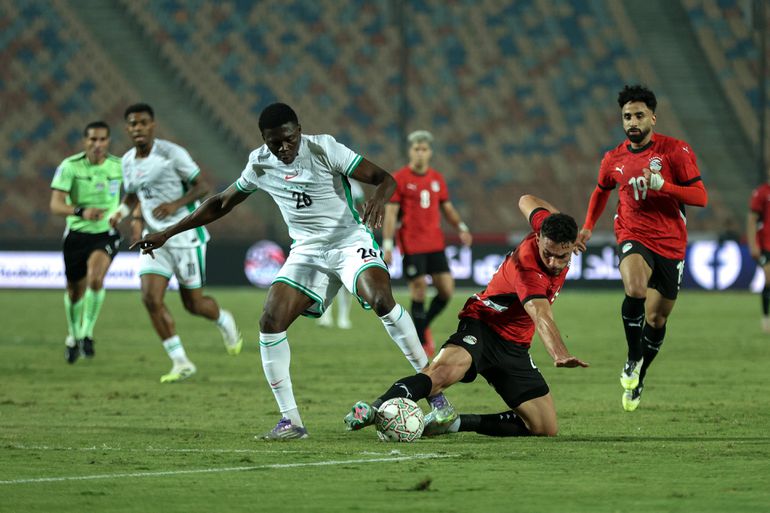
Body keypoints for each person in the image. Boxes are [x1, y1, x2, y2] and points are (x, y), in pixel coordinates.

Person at [130, 103, 454, 440]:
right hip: (307, 251)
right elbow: (220, 203)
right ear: (264, 140)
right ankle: (291, 422)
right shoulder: (259, 163)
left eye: (288, 140)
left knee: (381, 300)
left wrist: (378, 199)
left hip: (348, 241)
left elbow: (384, 179)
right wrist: (166, 233)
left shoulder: (323, 148)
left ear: (298, 130)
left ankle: (438, 399)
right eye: (274, 143)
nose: (283, 149)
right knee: (270, 321)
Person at [344, 194, 588, 437]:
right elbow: (541, 315)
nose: (554, 262)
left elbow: (525, 199)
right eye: (548, 254)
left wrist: (564, 223)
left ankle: (455, 423)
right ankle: (373, 409)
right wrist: (560, 353)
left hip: (515, 346)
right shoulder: (529, 269)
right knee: (442, 373)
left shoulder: (547, 227)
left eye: (562, 256)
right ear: (538, 238)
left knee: (545, 428)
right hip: (482, 325)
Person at [576, 85, 708, 412]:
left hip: (671, 243)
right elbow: (601, 190)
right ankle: (632, 357)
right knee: (635, 288)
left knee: (657, 318)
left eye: (638, 115)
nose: (632, 122)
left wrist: (666, 187)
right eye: (626, 117)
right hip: (632, 232)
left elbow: (701, 197)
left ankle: (640, 372)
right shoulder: (613, 158)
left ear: (652, 116)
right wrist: (589, 225)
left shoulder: (676, 151)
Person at [109, 103, 242, 383]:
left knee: (194, 305)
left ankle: (223, 320)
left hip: (184, 237)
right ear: (128, 128)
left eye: (143, 123)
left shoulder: (171, 153)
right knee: (150, 298)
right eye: (133, 124)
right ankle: (181, 361)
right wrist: (120, 214)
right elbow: (134, 195)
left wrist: (175, 205)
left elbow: (202, 186)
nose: (138, 128)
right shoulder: (127, 161)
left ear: (152, 125)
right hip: (153, 240)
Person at [382, 130, 472, 357]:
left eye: (424, 149)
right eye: (416, 149)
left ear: (429, 152)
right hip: (412, 244)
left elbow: (447, 208)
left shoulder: (437, 179)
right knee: (419, 289)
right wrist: (388, 244)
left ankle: (421, 325)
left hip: (435, 244)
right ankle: (421, 340)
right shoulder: (399, 179)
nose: (420, 154)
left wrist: (461, 228)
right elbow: (391, 214)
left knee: (446, 290)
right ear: (410, 151)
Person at [50, 121, 123, 363]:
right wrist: (81, 212)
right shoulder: (70, 167)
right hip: (77, 235)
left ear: (108, 141)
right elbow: (56, 205)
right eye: (93, 139)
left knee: (96, 278)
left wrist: (123, 213)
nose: (98, 144)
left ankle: (87, 334)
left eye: (102, 139)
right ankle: (73, 335)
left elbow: (134, 195)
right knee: (74, 292)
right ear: (85, 141)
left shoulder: (119, 166)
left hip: (105, 233)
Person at [317, 179, 365, 330]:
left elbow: (361, 207)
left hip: (349, 233)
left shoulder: (354, 186)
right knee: (327, 275)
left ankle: (344, 317)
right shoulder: (325, 183)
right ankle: (326, 315)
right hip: (329, 233)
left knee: (346, 279)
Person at [747, 168, 770, 332]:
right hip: (766, 245)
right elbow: (752, 219)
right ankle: (766, 318)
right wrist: (753, 245)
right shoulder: (761, 193)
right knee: (769, 278)